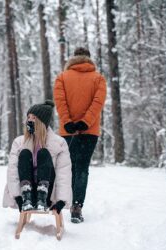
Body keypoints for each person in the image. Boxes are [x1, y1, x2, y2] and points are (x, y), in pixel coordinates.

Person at [53, 47, 107, 223]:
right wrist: (86, 122)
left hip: (66, 131)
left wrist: (68, 122)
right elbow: (98, 103)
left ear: (73, 58)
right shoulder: (98, 79)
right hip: (89, 131)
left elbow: (60, 102)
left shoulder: (62, 77)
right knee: (82, 167)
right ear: (89, 59)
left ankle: (63, 201)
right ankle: (77, 206)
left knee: (68, 167)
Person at [2, 100, 72, 215]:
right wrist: (18, 198)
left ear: (42, 121)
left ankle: (41, 196)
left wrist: (62, 200)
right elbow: (12, 171)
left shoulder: (59, 143)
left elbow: (63, 173)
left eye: (34, 118)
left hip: (48, 194)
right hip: (25, 195)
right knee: (24, 153)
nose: (29, 120)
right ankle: (27, 196)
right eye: (28, 117)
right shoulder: (19, 142)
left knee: (43, 153)